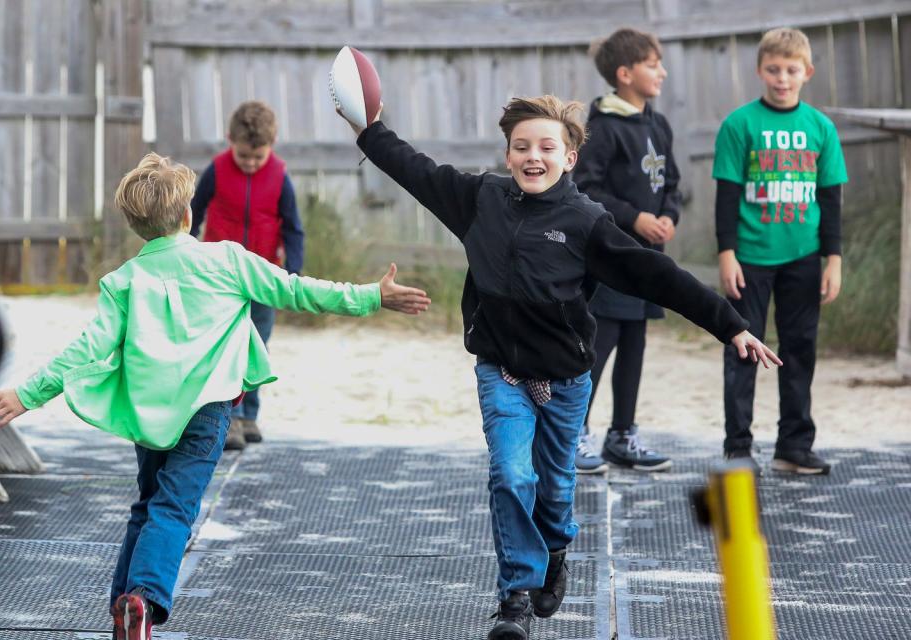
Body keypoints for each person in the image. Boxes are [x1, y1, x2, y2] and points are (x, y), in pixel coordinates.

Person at [339, 95, 779, 640]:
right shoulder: (479, 199)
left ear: (569, 158)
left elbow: (657, 275)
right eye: (521, 146)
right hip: (501, 372)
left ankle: (555, 548)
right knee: (511, 474)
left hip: (567, 382)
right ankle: (515, 599)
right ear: (507, 154)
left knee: (553, 487)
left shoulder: (587, 222)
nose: (533, 156)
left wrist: (730, 324)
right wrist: (369, 129)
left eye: (547, 147)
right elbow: (414, 168)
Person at [0, 153, 431, 640]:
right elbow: (297, 290)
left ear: (136, 226)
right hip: (208, 411)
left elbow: (86, 349)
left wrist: (28, 394)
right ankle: (144, 601)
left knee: (149, 504)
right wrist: (371, 296)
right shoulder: (227, 259)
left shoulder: (125, 281)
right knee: (173, 509)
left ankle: (124, 614)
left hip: (151, 416)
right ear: (188, 215)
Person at [714, 27, 847, 476]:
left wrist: (834, 260)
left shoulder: (820, 127)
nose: (782, 78)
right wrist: (726, 253)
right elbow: (727, 196)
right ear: (759, 71)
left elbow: (830, 199)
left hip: (804, 258)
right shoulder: (740, 124)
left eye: (791, 70)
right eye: (773, 69)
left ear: (807, 72)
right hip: (750, 257)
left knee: (800, 348)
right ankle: (738, 448)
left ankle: (793, 445)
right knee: (743, 350)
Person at [572, 28, 680, 474]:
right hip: (611, 259)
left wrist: (668, 216)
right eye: (653, 65)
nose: (662, 72)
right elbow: (587, 188)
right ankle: (574, 433)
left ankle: (623, 435)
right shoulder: (601, 127)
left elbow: (671, 182)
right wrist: (634, 219)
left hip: (647, 260)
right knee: (601, 345)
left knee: (636, 343)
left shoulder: (658, 123)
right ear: (624, 73)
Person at [190, 100, 305, 450]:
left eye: (259, 157)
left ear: (273, 143)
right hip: (219, 277)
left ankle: (248, 415)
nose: (252, 164)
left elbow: (294, 229)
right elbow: (193, 214)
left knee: (256, 347)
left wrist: (292, 275)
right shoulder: (217, 170)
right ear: (229, 141)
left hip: (263, 278)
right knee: (222, 346)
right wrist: (186, 251)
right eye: (244, 157)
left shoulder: (280, 177)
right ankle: (224, 419)